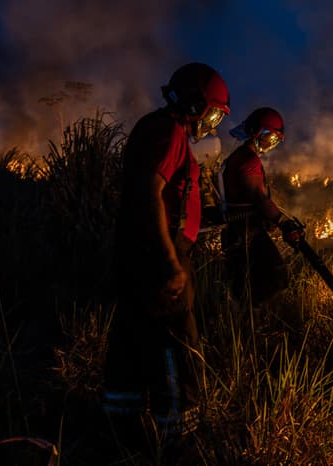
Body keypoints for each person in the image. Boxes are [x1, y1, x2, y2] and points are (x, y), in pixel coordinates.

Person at [101, 62, 229, 451]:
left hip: (140, 254)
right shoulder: (170, 133)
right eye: (211, 114)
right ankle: (178, 441)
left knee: (134, 339)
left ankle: (122, 431)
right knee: (177, 345)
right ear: (195, 104)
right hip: (159, 258)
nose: (210, 123)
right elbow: (149, 192)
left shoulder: (154, 127)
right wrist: (171, 262)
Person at [220, 107, 304, 313]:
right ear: (257, 133)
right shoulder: (248, 160)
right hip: (245, 230)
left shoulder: (240, 156)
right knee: (276, 277)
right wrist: (284, 223)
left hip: (238, 230)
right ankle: (252, 323)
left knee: (246, 283)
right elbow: (258, 197)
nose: (271, 144)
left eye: (275, 140)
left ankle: (245, 324)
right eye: (269, 137)